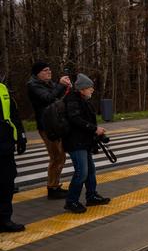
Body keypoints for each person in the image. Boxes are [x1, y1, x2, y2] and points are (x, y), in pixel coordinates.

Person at [62, 74, 111, 213]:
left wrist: (96, 132)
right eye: (90, 88)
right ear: (82, 89)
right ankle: (71, 201)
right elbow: (75, 119)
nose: (92, 90)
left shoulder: (83, 99)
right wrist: (94, 129)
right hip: (75, 142)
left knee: (90, 171)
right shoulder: (72, 99)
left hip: (83, 141)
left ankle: (91, 196)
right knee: (81, 172)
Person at [26, 61, 71, 199]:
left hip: (55, 124)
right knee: (56, 156)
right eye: (45, 70)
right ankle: (52, 188)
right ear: (37, 73)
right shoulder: (33, 85)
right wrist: (61, 85)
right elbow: (48, 98)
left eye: (50, 70)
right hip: (46, 126)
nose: (49, 72)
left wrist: (65, 87)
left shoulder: (48, 83)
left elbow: (57, 98)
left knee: (61, 156)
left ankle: (55, 185)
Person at [0, 80, 27, 232]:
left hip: (5, 144)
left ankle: (5, 219)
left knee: (7, 182)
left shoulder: (2, 87)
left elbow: (13, 114)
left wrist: (21, 136)